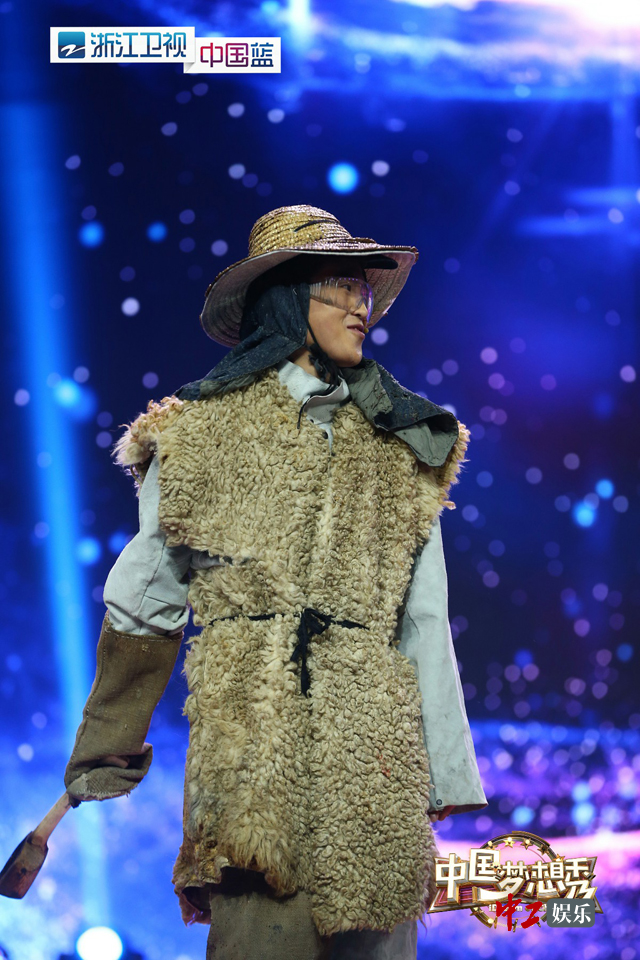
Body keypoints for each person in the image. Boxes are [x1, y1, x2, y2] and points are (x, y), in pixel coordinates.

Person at [64, 205, 487, 960]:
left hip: (375, 764)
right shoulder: (198, 435)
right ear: (289, 300)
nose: (361, 307)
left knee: (378, 931)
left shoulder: (402, 445)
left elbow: (423, 617)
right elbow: (147, 599)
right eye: (341, 287)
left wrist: (445, 775)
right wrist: (107, 745)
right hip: (252, 750)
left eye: (365, 290)